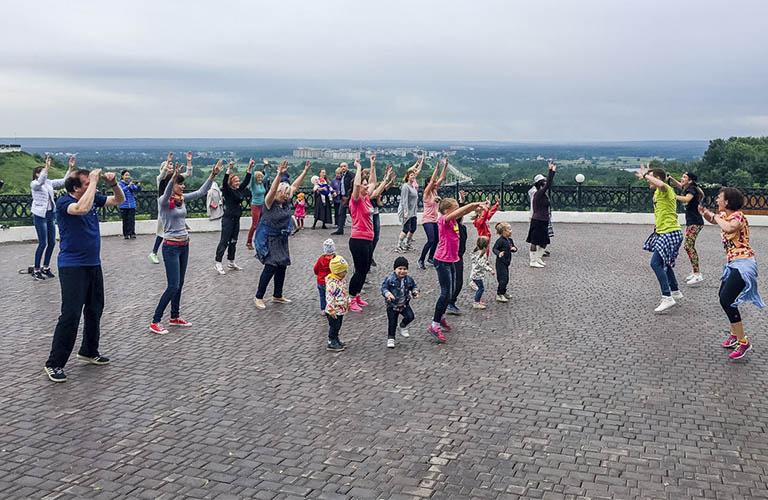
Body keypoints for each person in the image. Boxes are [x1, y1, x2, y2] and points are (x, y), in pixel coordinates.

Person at [43, 168, 126, 383]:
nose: (92, 185)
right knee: (70, 314)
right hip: (72, 267)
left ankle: (89, 351)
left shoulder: (92, 198)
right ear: (76, 187)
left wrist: (114, 184)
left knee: (94, 309)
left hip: (92, 264)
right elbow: (80, 208)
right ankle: (54, 363)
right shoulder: (63, 203)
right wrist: (95, 182)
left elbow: (119, 200)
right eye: (87, 183)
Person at [149, 161, 221, 334]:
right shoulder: (164, 201)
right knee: (172, 286)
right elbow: (166, 193)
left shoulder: (181, 199)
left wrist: (212, 175)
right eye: (179, 183)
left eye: (182, 183)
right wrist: (172, 177)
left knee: (179, 284)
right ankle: (155, 321)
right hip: (171, 247)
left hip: (184, 245)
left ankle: (174, 316)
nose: (182, 186)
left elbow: (201, 192)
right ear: (171, 185)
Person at [699, 188, 765, 360]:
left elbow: (730, 228)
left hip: (744, 264)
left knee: (726, 299)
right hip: (733, 263)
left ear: (727, 202)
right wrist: (705, 213)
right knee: (724, 297)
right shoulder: (725, 215)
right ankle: (735, 335)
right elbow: (717, 222)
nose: (717, 200)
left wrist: (714, 216)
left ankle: (743, 342)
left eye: (720, 198)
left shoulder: (738, 216)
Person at [253, 161, 311, 309]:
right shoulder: (269, 202)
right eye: (283, 194)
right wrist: (279, 174)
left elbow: (295, 186)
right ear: (278, 192)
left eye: (287, 194)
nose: (286, 196)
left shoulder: (284, 202)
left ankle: (277, 295)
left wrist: (305, 171)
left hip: (281, 238)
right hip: (269, 238)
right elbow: (272, 190)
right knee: (270, 266)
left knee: (282, 267)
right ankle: (258, 296)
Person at [428, 197, 486, 343]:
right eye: (455, 208)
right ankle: (434, 325)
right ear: (447, 211)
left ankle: (441, 317)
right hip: (442, 260)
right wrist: (474, 204)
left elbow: (463, 211)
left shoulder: (454, 222)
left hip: (452, 260)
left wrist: (475, 208)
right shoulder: (443, 220)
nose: (458, 211)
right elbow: (461, 211)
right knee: (445, 293)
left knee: (451, 291)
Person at [636, 163, 684, 313]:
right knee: (665, 262)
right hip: (666, 231)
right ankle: (675, 290)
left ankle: (667, 297)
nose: (649, 181)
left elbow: (662, 183)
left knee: (656, 263)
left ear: (656, 178)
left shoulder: (666, 190)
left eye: (651, 178)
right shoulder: (657, 192)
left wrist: (646, 175)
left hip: (670, 232)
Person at [347, 157, 390, 312]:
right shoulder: (356, 200)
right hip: (358, 239)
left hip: (367, 239)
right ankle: (351, 298)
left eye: (366, 186)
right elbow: (358, 184)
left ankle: (357, 295)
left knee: (365, 269)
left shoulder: (366, 198)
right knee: (359, 270)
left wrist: (374, 168)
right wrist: (358, 168)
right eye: (364, 186)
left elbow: (375, 186)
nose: (366, 187)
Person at [30, 155, 74, 280]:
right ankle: (36, 269)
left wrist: (69, 169)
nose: (44, 173)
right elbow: (41, 181)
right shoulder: (34, 184)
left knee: (52, 242)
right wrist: (47, 167)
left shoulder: (48, 183)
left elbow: (63, 181)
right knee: (43, 243)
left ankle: (46, 267)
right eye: (41, 172)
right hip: (40, 215)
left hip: (50, 215)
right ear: (36, 174)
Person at [149, 152, 193, 264]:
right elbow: (163, 174)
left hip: (174, 206)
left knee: (166, 231)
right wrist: (167, 163)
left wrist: (188, 162)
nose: (170, 169)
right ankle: (154, 252)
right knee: (162, 231)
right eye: (168, 167)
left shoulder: (175, 179)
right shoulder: (161, 179)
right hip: (165, 208)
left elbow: (187, 174)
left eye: (171, 167)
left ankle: (165, 251)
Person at [214, 160, 252, 274]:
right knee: (224, 241)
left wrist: (249, 167)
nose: (238, 182)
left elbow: (247, 180)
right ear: (231, 182)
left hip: (236, 219)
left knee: (234, 241)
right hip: (228, 219)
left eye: (238, 181)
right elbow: (224, 182)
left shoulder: (239, 190)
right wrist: (229, 169)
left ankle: (231, 261)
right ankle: (218, 263)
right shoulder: (228, 191)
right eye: (235, 181)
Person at [669, 172, 706, 285]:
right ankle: (695, 272)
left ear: (690, 180)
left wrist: (672, 196)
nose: (682, 178)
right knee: (689, 246)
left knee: (688, 246)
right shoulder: (688, 187)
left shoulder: (692, 190)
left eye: (684, 177)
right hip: (692, 222)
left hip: (695, 222)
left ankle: (697, 274)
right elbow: (680, 186)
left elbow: (687, 199)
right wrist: (671, 178)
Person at [381, 256, 420, 348]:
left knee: (410, 316)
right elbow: (384, 288)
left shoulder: (408, 279)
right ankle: (391, 338)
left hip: (404, 304)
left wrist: (415, 291)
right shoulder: (390, 279)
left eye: (405, 269)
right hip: (392, 305)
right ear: (395, 269)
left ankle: (403, 325)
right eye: (400, 269)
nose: (402, 271)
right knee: (392, 322)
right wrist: (388, 294)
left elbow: (414, 286)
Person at [418, 159, 448, 269]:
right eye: (433, 182)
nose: (435, 183)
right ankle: (421, 259)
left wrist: (445, 167)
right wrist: (436, 168)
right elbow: (434, 180)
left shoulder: (435, 191)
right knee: (431, 240)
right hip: (427, 220)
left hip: (435, 219)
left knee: (437, 240)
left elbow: (441, 178)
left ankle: (430, 258)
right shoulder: (426, 193)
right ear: (428, 183)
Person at [526, 162, 556, 268]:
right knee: (535, 241)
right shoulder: (538, 193)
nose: (545, 183)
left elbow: (548, 185)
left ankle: (538, 258)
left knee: (544, 241)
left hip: (543, 219)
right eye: (543, 181)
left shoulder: (542, 194)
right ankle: (533, 260)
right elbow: (548, 184)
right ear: (540, 183)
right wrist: (551, 171)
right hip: (537, 220)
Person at [447, 190, 469, 315]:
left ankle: (450, 301)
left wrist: (461, 201)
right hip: (451, 257)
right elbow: (459, 213)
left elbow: (461, 213)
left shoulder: (461, 226)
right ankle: (449, 302)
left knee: (458, 282)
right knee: (454, 281)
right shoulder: (451, 223)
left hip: (458, 256)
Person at [396, 157, 425, 252]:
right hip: (407, 211)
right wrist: (405, 212)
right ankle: (399, 246)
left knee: (413, 228)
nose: (413, 176)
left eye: (414, 175)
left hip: (413, 211)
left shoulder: (412, 186)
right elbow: (404, 200)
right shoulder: (406, 187)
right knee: (406, 228)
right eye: (411, 175)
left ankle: (407, 243)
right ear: (408, 177)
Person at [369, 165, 395, 267]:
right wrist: (386, 177)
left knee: (376, 237)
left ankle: (370, 255)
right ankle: (368, 256)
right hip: (369, 215)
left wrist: (390, 179)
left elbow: (385, 187)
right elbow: (379, 190)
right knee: (371, 237)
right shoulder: (369, 192)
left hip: (375, 213)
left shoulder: (377, 189)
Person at [324, 255, 350, 352]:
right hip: (334, 310)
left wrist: (347, 301)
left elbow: (344, 292)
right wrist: (331, 309)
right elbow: (329, 297)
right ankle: (331, 341)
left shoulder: (341, 281)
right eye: (344, 271)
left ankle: (336, 339)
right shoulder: (332, 283)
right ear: (338, 272)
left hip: (340, 309)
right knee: (334, 326)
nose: (346, 273)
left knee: (338, 325)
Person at [246, 158, 270, 250]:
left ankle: (261, 240)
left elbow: (267, 175)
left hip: (262, 206)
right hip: (255, 206)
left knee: (262, 224)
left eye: (261, 177)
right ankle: (249, 241)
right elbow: (251, 177)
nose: (260, 179)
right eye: (259, 177)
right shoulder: (253, 185)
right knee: (255, 225)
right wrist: (252, 167)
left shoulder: (261, 184)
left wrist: (266, 165)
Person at [493, 222, 517, 303]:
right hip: (500, 263)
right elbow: (494, 249)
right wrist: (499, 253)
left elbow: (512, 247)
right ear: (503, 232)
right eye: (509, 229)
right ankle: (499, 294)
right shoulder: (500, 241)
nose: (511, 231)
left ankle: (503, 291)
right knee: (503, 278)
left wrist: (514, 249)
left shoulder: (510, 240)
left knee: (506, 278)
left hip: (506, 262)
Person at [470, 236, 495, 309]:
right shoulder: (481, 254)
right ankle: (476, 302)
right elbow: (482, 264)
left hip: (475, 274)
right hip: (477, 275)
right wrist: (490, 269)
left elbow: (479, 262)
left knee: (480, 288)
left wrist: (486, 262)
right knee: (481, 288)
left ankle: (477, 300)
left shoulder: (476, 252)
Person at [314, 238, 336, 315]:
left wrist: (319, 275)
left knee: (322, 296)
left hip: (320, 281)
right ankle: (330, 308)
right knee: (331, 296)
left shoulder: (321, 259)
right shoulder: (334, 260)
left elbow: (316, 269)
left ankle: (323, 309)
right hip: (330, 282)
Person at [117, 170, 141, 239]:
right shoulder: (120, 184)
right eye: (126, 175)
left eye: (128, 175)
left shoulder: (131, 184)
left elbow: (137, 190)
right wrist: (128, 186)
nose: (127, 177)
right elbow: (121, 191)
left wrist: (138, 186)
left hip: (131, 205)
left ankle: (132, 233)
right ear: (122, 176)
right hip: (123, 205)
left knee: (131, 220)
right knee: (125, 220)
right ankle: (126, 234)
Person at [331, 162, 354, 235]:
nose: (343, 167)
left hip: (349, 197)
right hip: (343, 197)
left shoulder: (350, 174)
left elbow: (354, 183)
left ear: (347, 167)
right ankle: (340, 229)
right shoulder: (342, 176)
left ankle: (357, 228)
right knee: (341, 213)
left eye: (344, 166)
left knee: (353, 213)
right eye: (341, 166)